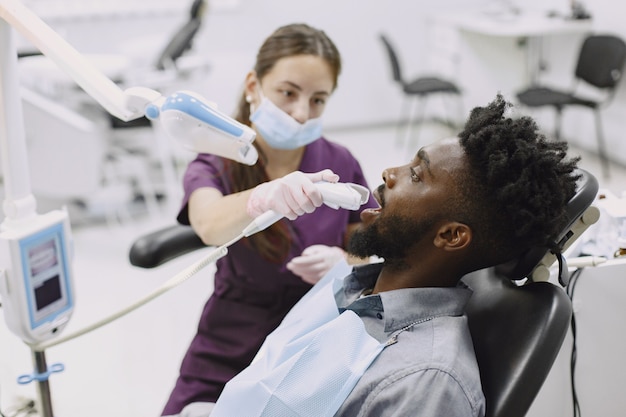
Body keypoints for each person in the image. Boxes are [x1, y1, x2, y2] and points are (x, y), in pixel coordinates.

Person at [167, 94, 581, 417]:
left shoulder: (425, 382)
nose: (389, 173)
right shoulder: (354, 285)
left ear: (452, 236)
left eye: (417, 175)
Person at [161, 23, 377, 415]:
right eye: (288, 93)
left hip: (315, 337)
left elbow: (375, 244)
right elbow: (208, 223)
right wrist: (263, 196)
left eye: (318, 100)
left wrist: (345, 265)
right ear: (253, 86)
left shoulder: (338, 162)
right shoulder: (216, 162)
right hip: (232, 338)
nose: (300, 112)